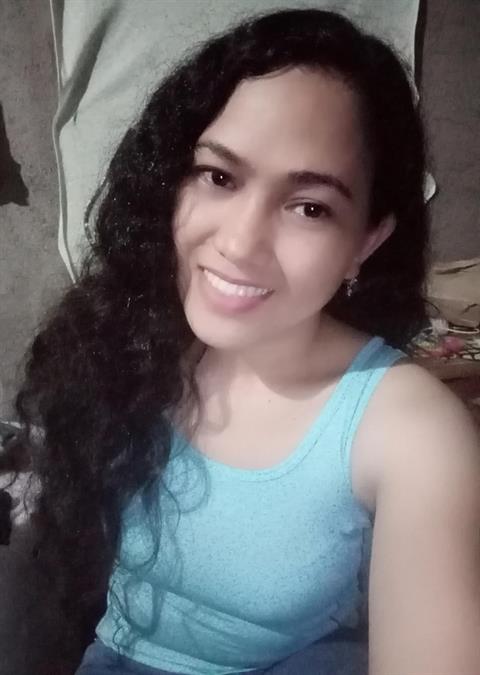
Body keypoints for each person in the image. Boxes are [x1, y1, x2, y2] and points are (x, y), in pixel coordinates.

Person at [3, 7, 480, 675]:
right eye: (219, 177)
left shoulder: (410, 428)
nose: (239, 242)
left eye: (310, 207)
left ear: (366, 241)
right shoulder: (132, 337)